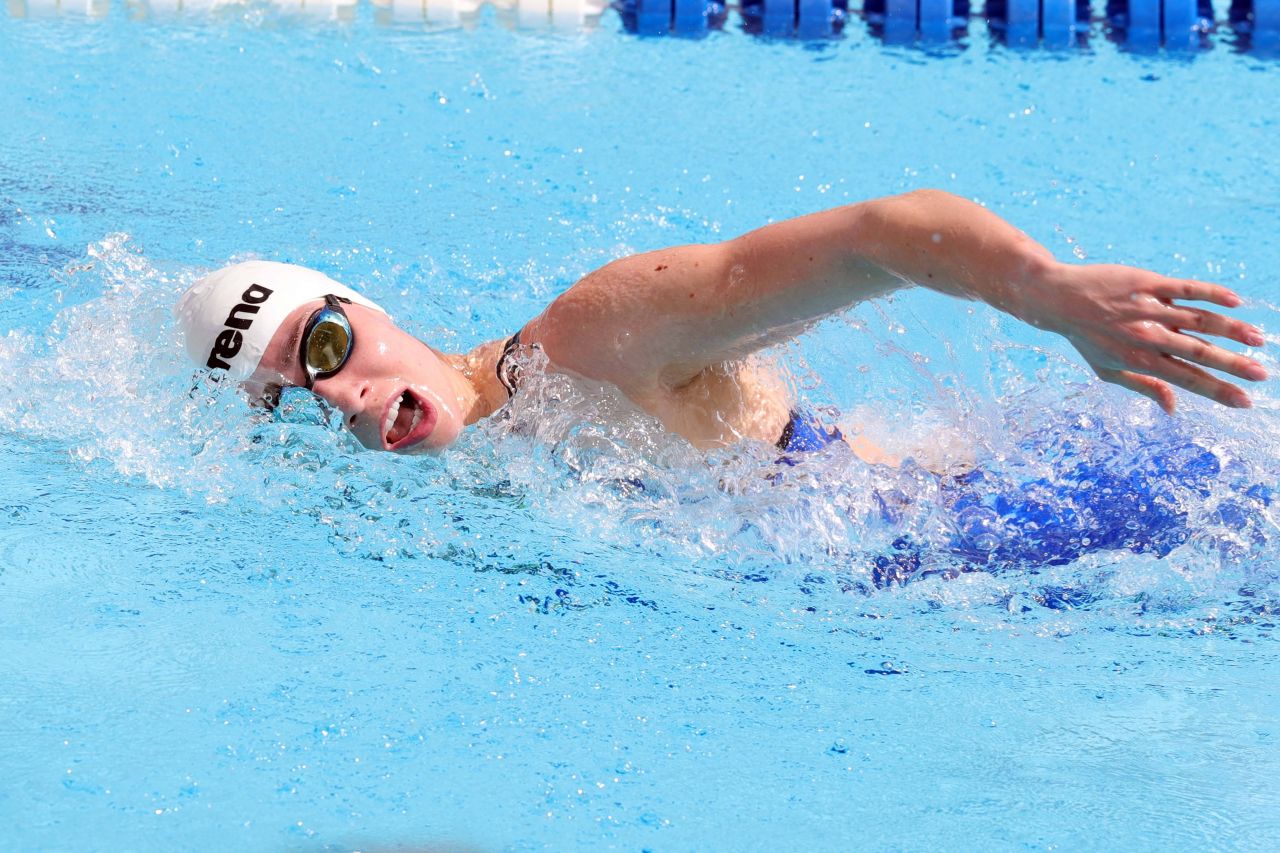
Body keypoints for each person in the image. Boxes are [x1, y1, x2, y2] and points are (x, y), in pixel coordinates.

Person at [176, 190, 1268, 459]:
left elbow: (878, 235)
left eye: (322, 347)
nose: (337, 396)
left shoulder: (590, 339)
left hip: (967, 533)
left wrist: (1047, 292)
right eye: (286, 400)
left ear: (364, 308)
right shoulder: (475, 464)